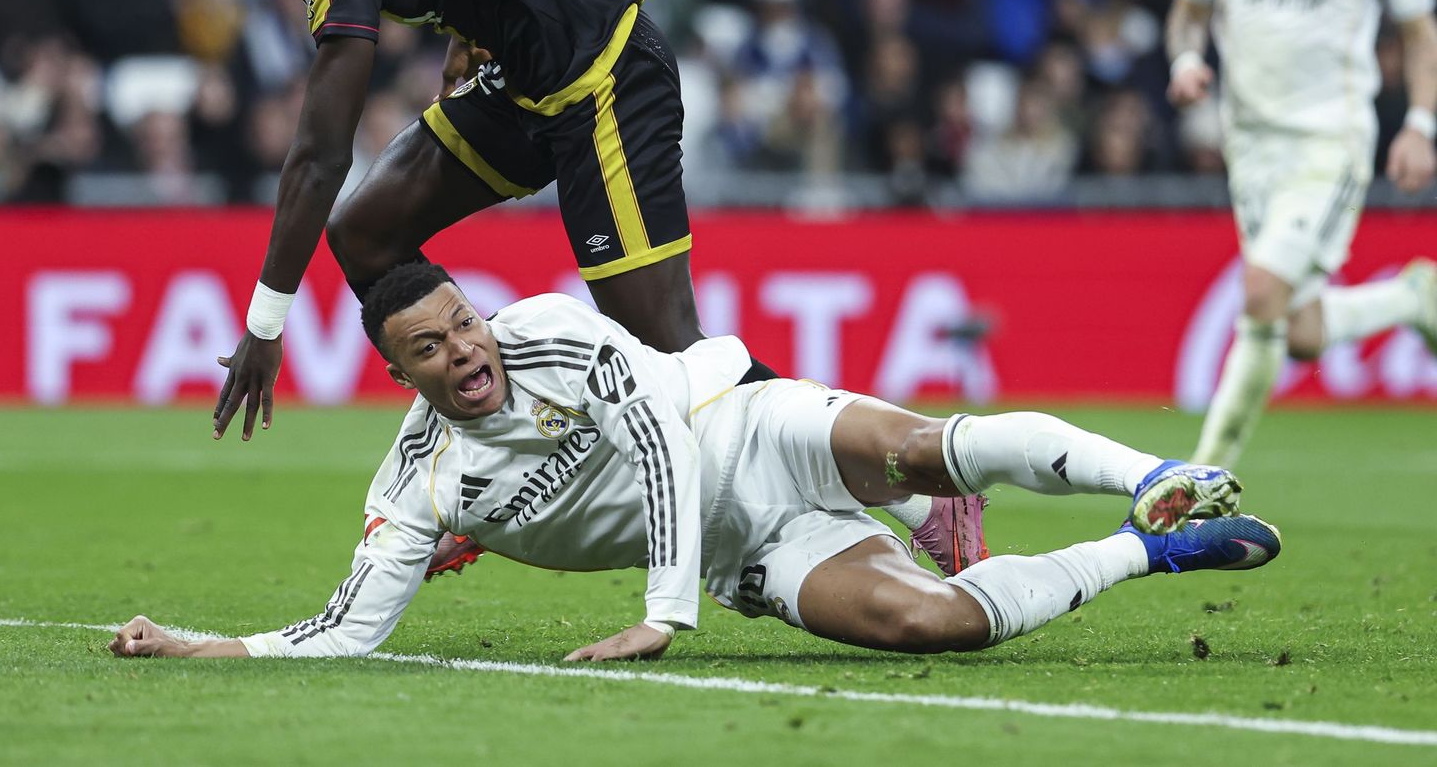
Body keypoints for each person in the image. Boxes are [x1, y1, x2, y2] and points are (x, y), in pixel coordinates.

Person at [108, 263, 1279, 662]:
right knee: (929, 629)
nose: (468, 349)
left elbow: (664, 443)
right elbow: (341, 633)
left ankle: (1148, 474)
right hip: (749, 546)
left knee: (924, 443)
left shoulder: (553, 330)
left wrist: (660, 615)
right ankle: (1148, 545)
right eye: (433, 346)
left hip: (739, 420)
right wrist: (194, 645)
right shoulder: (417, 488)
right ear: (398, 374)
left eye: (463, 321)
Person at [180, 0, 775, 447]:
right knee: (365, 233)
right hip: (521, 81)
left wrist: (264, 326)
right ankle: (514, 436)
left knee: (664, 347)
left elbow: (320, 158)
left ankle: (835, 436)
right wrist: (469, 34)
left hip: (606, 76)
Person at [1165, 0, 1437, 468]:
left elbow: (1419, 27)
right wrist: (1185, 62)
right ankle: (1413, 298)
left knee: (1260, 292)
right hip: (1250, 144)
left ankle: (1199, 480)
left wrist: (1420, 124)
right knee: (1304, 332)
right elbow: (1187, 15)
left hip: (1331, 137)